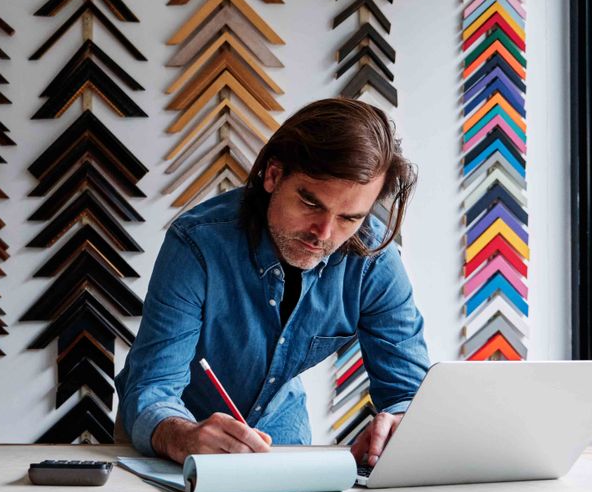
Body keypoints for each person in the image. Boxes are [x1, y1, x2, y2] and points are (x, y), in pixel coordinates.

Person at [115, 98, 429, 468]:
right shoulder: (198, 243)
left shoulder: (373, 259)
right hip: (175, 438)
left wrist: (399, 426)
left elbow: (409, 393)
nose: (324, 234)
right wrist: (181, 436)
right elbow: (153, 387)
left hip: (283, 436)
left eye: (349, 218)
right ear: (273, 176)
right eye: (311, 204)